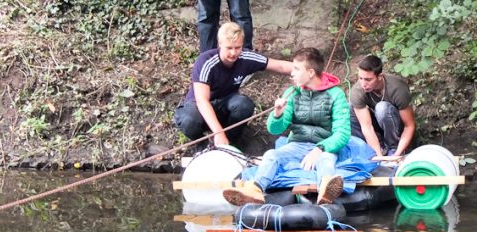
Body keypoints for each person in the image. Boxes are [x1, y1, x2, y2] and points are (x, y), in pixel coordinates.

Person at [222, 47, 351, 205]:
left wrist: (320, 148)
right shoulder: (292, 92)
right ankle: (255, 190)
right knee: (271, 155)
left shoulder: (336, 94)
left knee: (326, 161)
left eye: (297, 69)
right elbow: (274, 129)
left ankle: (326, 190)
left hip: (325, 145)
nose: (292, 73)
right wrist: (277, 114)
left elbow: (342, 133)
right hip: (297, 144)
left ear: (310, 73)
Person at [174, 22, 292, 147]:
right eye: (229, 48)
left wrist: (308, 71)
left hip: (226, 105)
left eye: (238, 47)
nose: (233, 53)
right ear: (220, 44)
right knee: (189, 120)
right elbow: (202, 101)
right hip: (198, 108)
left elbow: (280, 66)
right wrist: (218, 132)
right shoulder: (205, 62)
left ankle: (231, 141)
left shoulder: (246, 57)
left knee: (244, 105)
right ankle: (202, 144)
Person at [349, 54, 417, 158]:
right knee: (349, 109)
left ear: (380, 77)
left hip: (396, 125)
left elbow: (409, 125)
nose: (363, 84)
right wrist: (379, 156)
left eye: (368, 79)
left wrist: (396, 154)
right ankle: (372, 150)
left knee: (382, 108)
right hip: (376, 126)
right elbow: (366, 127)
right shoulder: (358, 91)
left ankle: (393, 148)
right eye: (360, 78)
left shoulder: (397, 88)